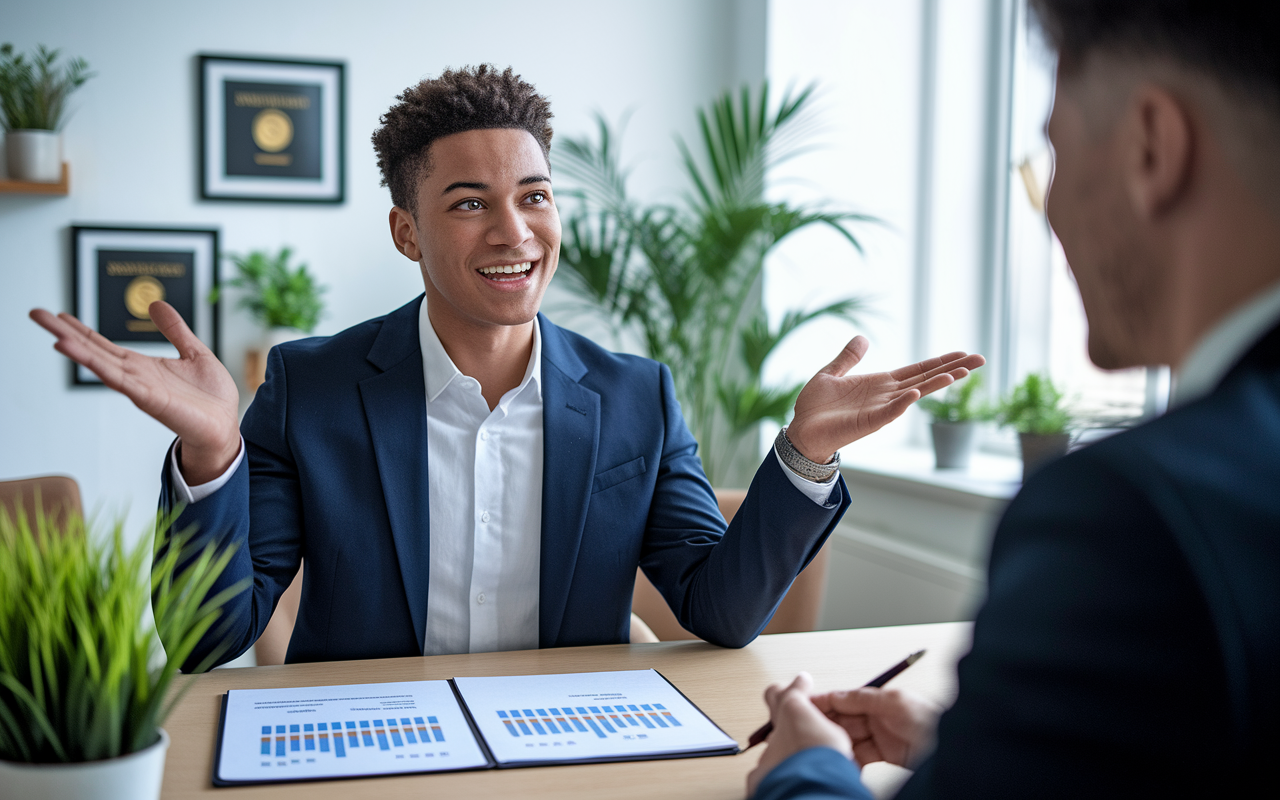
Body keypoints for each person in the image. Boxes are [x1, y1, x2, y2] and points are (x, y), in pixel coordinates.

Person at [30, 66, 982, 671]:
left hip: (573, 748)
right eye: (470, 203)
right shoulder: (311, 389)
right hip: (372, 748)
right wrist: (210, 456)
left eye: (534, 196)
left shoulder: (635, 397)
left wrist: (806, 453)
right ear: (407, 231)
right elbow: (207, 643)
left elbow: (720, 611)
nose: (515, 232)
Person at [747, 3, 1280, 798]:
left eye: (1052, 161)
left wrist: (804, 771)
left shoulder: (1129, 513)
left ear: (1151, 147)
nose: (1053, 213)